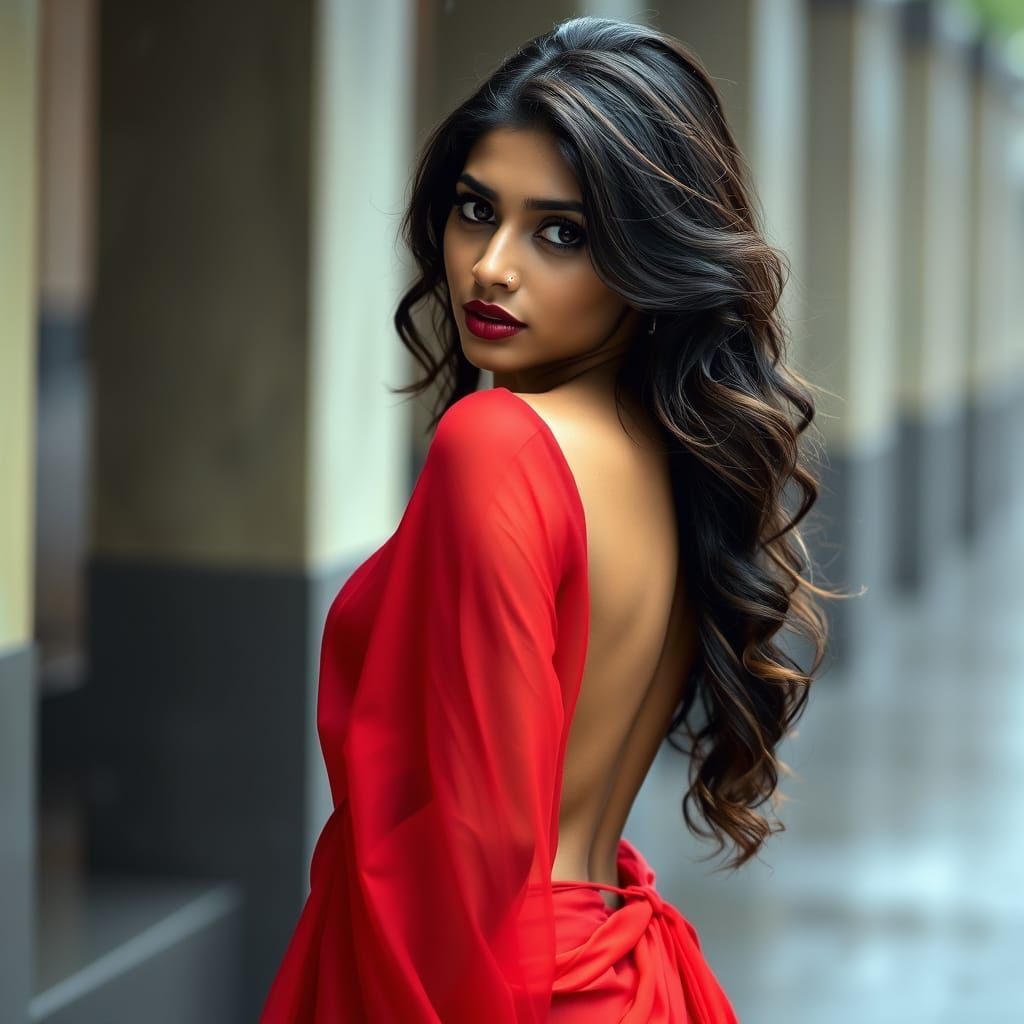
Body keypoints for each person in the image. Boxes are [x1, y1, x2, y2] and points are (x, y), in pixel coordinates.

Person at [261, 15, 838, 1022]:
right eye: (476, 211)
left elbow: (472, 863)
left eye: (559, 233)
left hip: (495, 987)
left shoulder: (496, 448)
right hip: (623, 973)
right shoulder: (676, 460)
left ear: (645, 256)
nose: (491, 267)